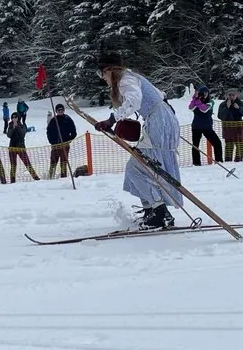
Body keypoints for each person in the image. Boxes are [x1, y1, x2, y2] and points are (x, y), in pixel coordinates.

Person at [94, 50, 182, 229]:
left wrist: (111, 120)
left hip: (159, 123)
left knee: (137, 168)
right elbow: (160, 94)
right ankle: (151, 210)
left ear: (110, 70)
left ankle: (160, 214)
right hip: (161, 121)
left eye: (102, 73)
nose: (102, 77)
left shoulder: (126, 79)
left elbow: (134, 101)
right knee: (139, 168)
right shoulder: (133, 77)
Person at [188, 85, 223, 166]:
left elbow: (204, 109)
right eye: (203, 92)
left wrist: (197, 102)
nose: (205, 94)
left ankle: (219, 161)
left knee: (217, 143)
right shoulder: (196, 101)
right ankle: (196, 163)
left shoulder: (210, 102)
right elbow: (190, 107)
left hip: (207, 127)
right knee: (195, 145)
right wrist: (194, 99)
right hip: (196, 126)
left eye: (206, 92)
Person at [217, 91, 243, 162]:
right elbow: (220, 116)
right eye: (230, 95)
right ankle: (228, 162)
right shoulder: (223, 104)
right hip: (228, 128)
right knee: (229, 146)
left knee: (241, 146)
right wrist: (227, 107)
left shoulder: (240, 103)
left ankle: (238, 160)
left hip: (239, 128)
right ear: (227, 96)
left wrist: (239, 108)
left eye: (233, 95)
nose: (231, 96)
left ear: (236, 95)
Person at [47, 104, 78, 179]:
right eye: (58, 110)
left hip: (65, 145)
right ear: (56, 111)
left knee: (63, 162)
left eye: (62, 110)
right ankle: (50, 177)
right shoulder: (53, 120)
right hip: (55, 146)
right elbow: (48, 131)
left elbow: (73, 132)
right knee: (53, 162)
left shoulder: (68, 119)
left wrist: (68, 140)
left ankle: (63, 178)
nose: (60, 112)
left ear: (64, 110)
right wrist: (52, 141)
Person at [7, 112, 40, 182]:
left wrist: (17, 126)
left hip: (21, 147)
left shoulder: (22, 125)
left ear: (18, 118)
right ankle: (12, 180)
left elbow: (22, 134)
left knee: (27, 163)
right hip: (12, 147)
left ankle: (36, 177)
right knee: (13, 165)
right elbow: (9, 135)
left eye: (16, 117)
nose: (14, 119)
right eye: (13, 117)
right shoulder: (10, 125)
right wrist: (13, 127)